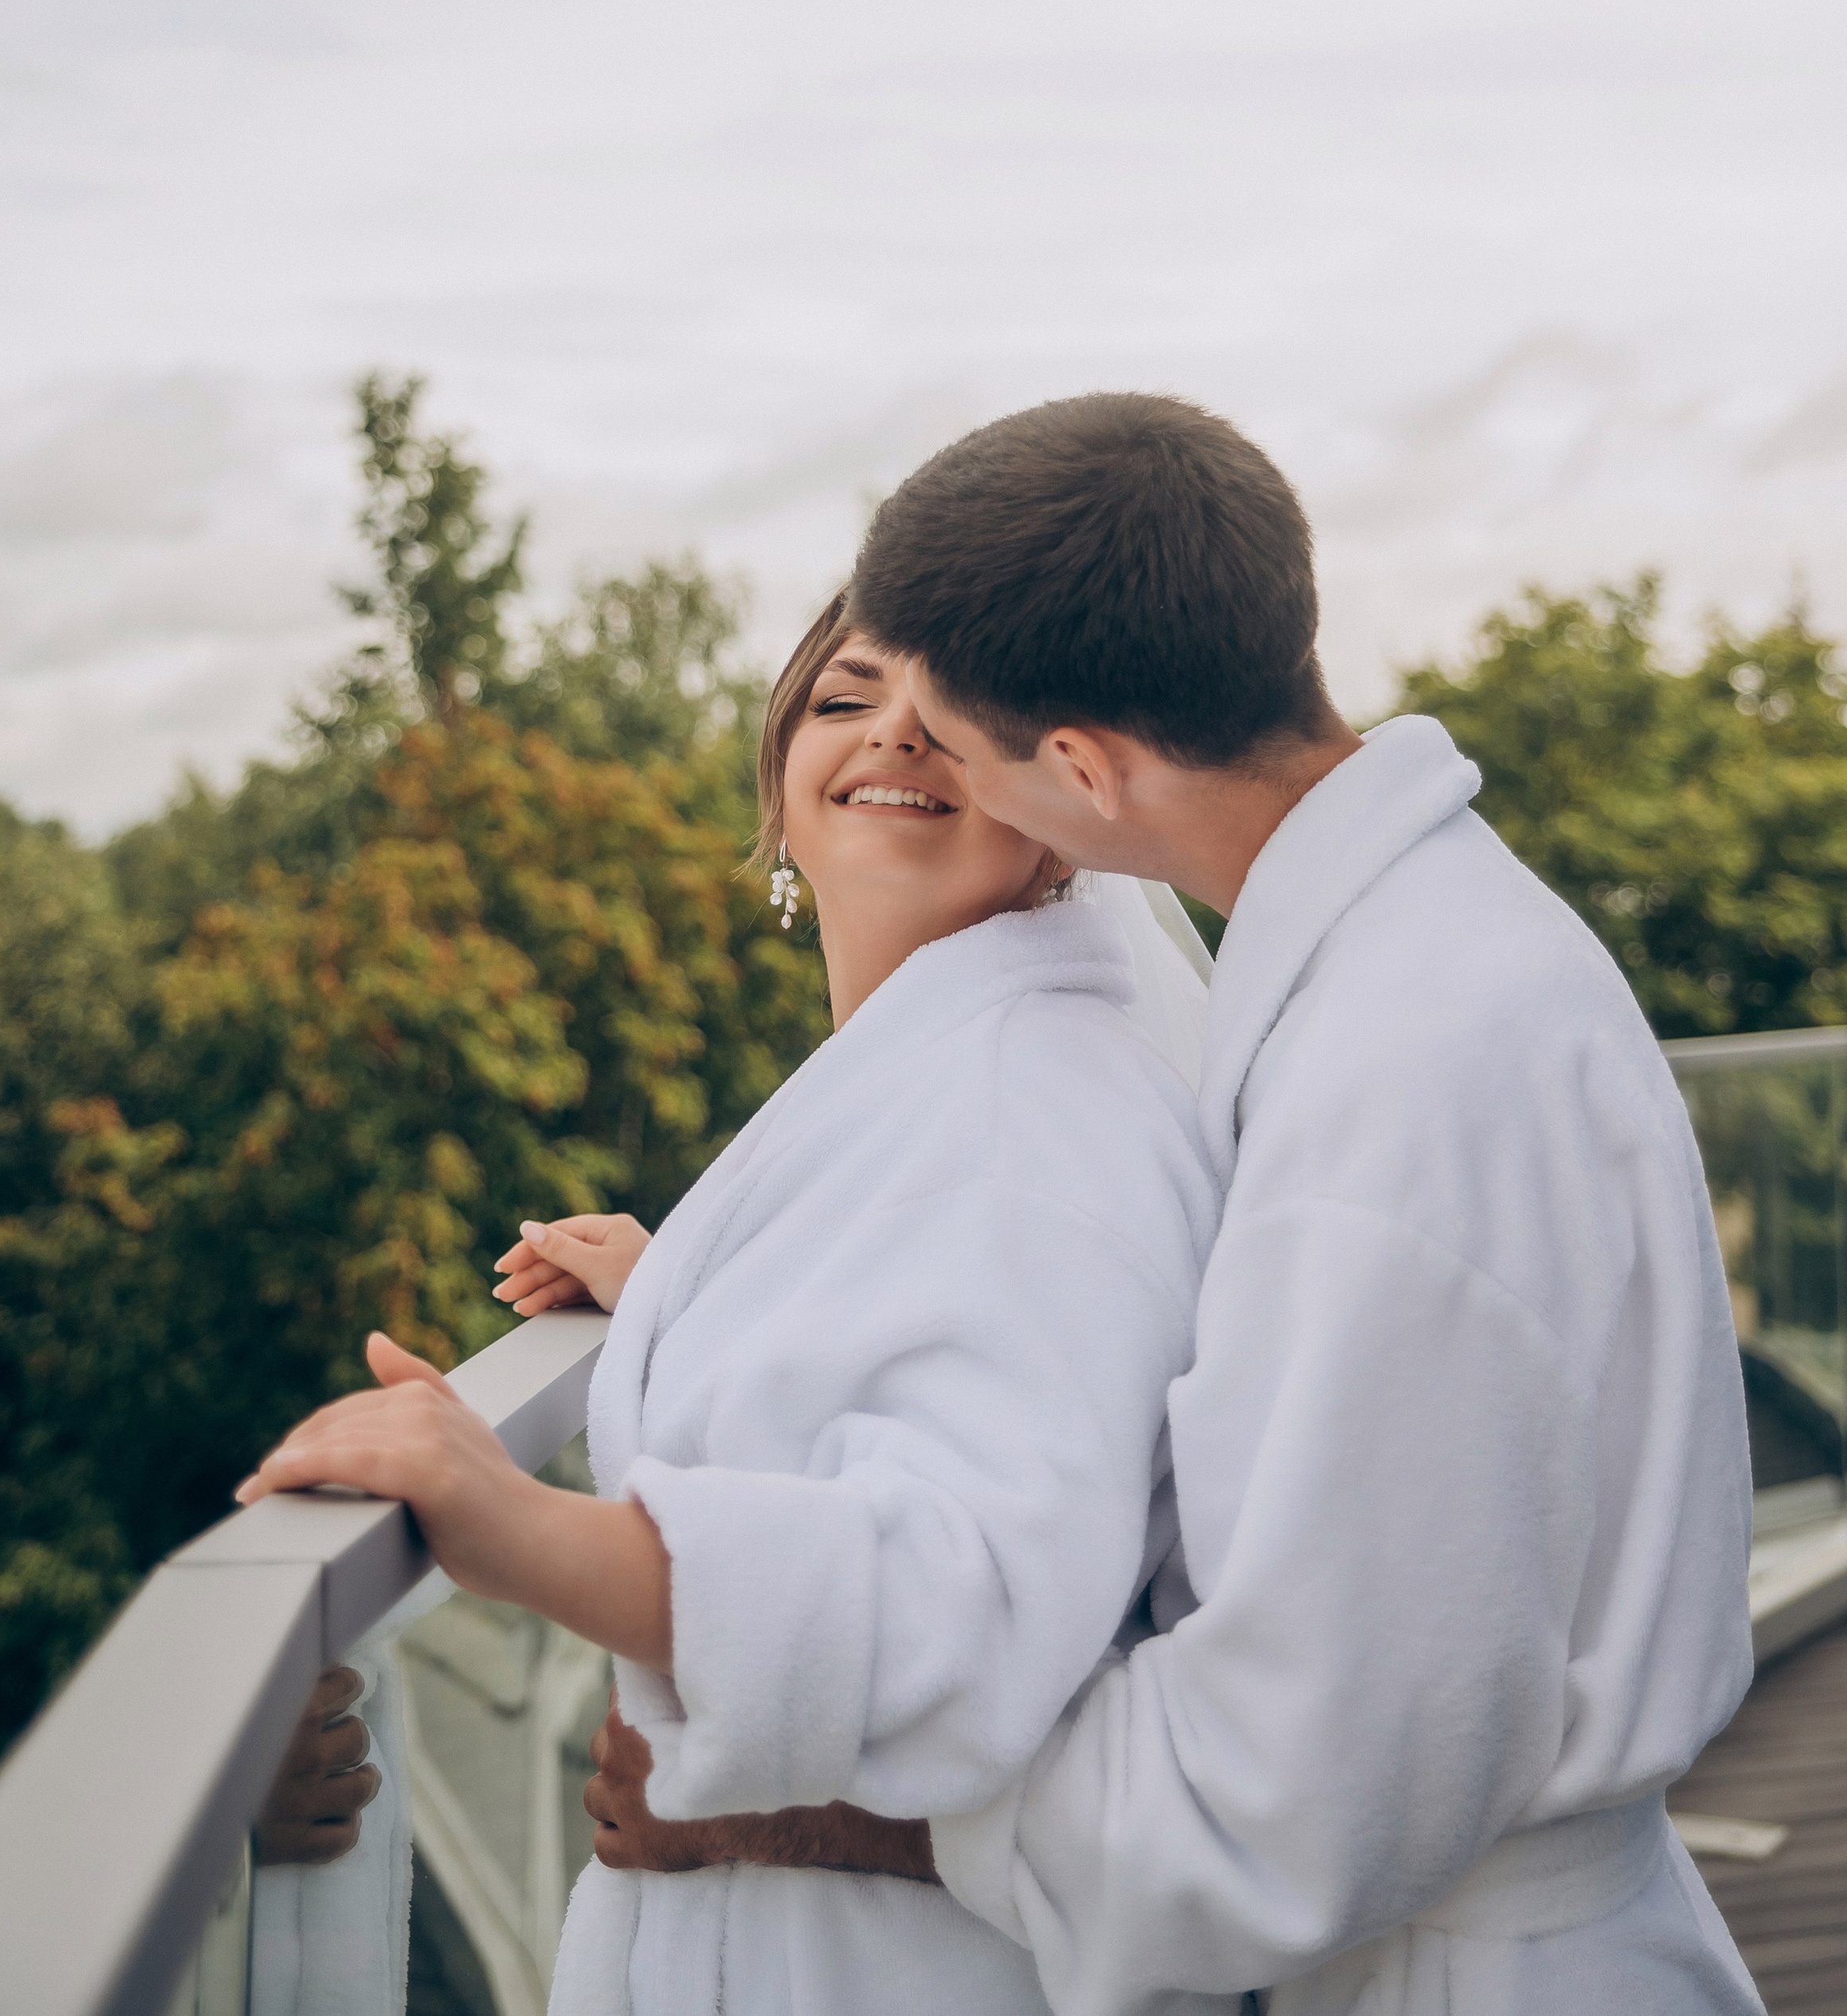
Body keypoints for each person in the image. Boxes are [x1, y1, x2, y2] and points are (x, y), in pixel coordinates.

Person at [592, 392, 1763, 2016]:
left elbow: (1298, 1801)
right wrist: (717, 1299)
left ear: (1071, 770)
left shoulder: (1391, 1092)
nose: (907, 754)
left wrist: (791, 1813)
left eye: (954, 733)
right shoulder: (1431, 959)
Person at [236, 593, 1221, 2016]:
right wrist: (690, 1290)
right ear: (781, 777)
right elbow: (933, 1352)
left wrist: (515, 1522)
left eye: (952, 715)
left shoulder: (1039, 1120)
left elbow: (961, 1598)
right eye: (843, 701)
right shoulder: (925, 1086)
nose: (893, 733)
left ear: (1054, 793)